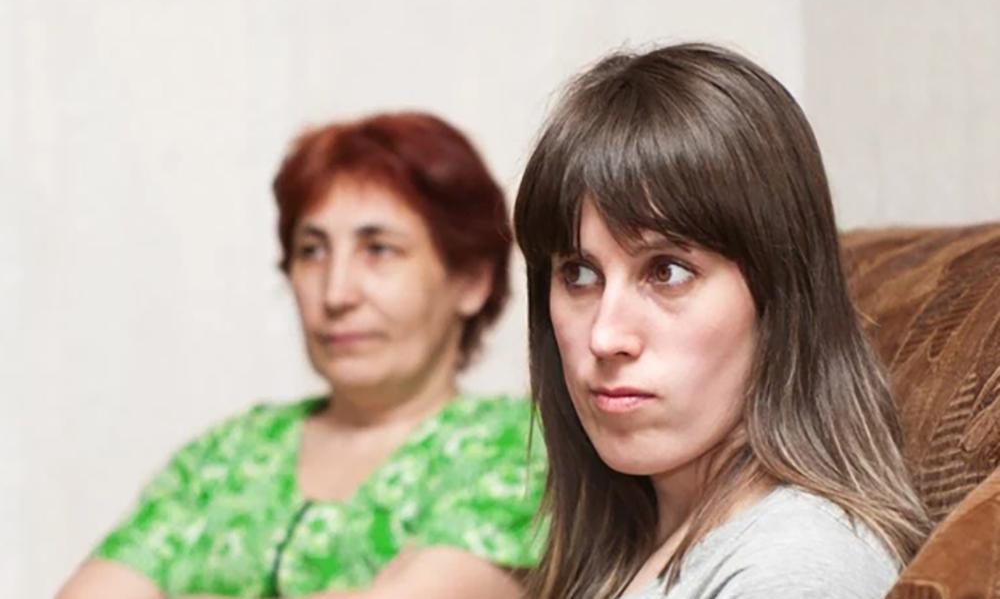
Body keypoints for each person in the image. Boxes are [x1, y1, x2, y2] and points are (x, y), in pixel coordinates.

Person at [57, 112, 545, 599]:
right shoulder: (228, 455)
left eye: (378, 249)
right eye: (312, 251)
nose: (336, 293)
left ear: (471, 281)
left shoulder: (518, 448)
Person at [512, 43, 931, 599]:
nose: (605, 336)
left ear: (779, 294)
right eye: (580, 274)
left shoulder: (795, 570)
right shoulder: (632, 547)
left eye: (667, 271)